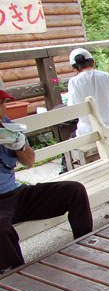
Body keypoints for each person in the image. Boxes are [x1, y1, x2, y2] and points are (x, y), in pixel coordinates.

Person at [0, 79, 92, 272]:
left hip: (16, 194)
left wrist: (19, 145)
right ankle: (18, 277)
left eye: (3, 103)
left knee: (74, 190)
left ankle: (86, 246)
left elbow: (29, 161)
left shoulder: (7, 125)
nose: (1, 110)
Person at [67, 48, 109, 136]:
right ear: (93, 62)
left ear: (74, 69)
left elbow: (72, 110)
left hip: (88, 132)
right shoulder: (106, 76)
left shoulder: (73, 82)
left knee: (72, 136)